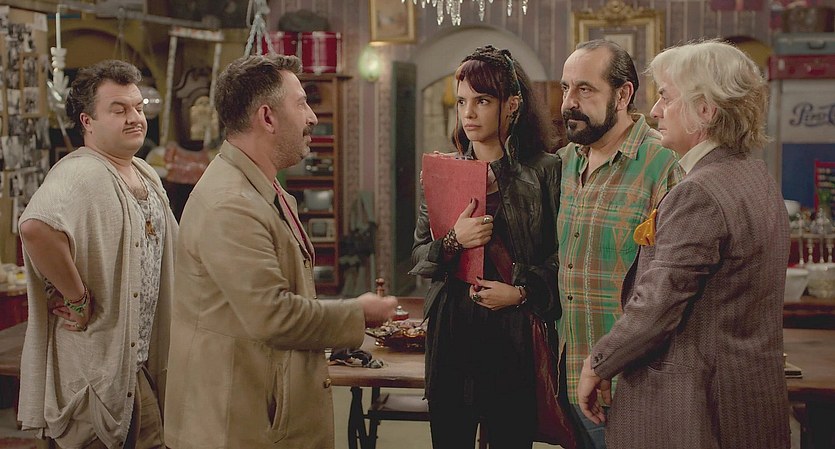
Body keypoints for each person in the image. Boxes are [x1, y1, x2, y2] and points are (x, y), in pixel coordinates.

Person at [163, 54, 397, 449]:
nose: (312, 117)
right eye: (301, 103)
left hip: (256, 415)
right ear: (268, 118)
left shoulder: (260, 189)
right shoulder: (231, 204)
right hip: (233, 428)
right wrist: (357, 313)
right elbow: (273, 315)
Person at [577, 40, 791, 448]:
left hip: (695, 410)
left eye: (666, 97)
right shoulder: (756, 177)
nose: (655, 111)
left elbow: (656, 307)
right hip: (748, 400)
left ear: (705, 111)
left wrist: (598, 364)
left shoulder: (699, 192)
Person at [17, 60, 177, 449]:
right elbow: (35, 227)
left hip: (137, 367)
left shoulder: (143, 171)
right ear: (87, 121)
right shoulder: (80, 172)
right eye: (118, 110)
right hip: (96, 372)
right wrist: (78, 298)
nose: (134, 118)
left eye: (137, 107)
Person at [411, 45, 561, 449]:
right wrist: (453, 241)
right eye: (462, 102)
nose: (469, 113)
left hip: (512, 335)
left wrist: (521, 292)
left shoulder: (545, 171)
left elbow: (563, 257)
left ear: (511, 104)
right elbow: (420, 257)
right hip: (452, 332)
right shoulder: (444, 171)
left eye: (482, 100)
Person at [556, 39, 683, 449]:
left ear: (624, 94)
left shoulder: (663, 163)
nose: (569, 103)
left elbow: (671, 290)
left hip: (632, 384)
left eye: (585, 89)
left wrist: (608, 362)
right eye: (565, 88)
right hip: (567, 377)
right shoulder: (564, 162)